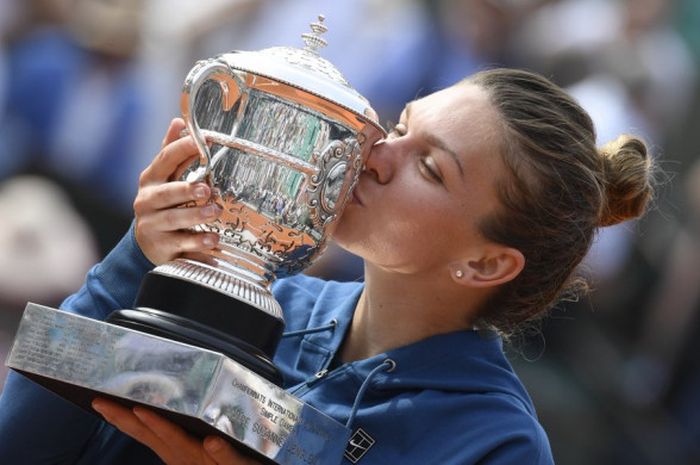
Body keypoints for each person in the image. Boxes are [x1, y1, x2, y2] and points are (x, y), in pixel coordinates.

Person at [0, 68, 655, 464]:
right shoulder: (264, 294)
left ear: (485, 262)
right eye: (399, 127)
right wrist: (137, 260)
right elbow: (20, 443)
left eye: (428, 165)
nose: (375, 153)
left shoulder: (494, 443)